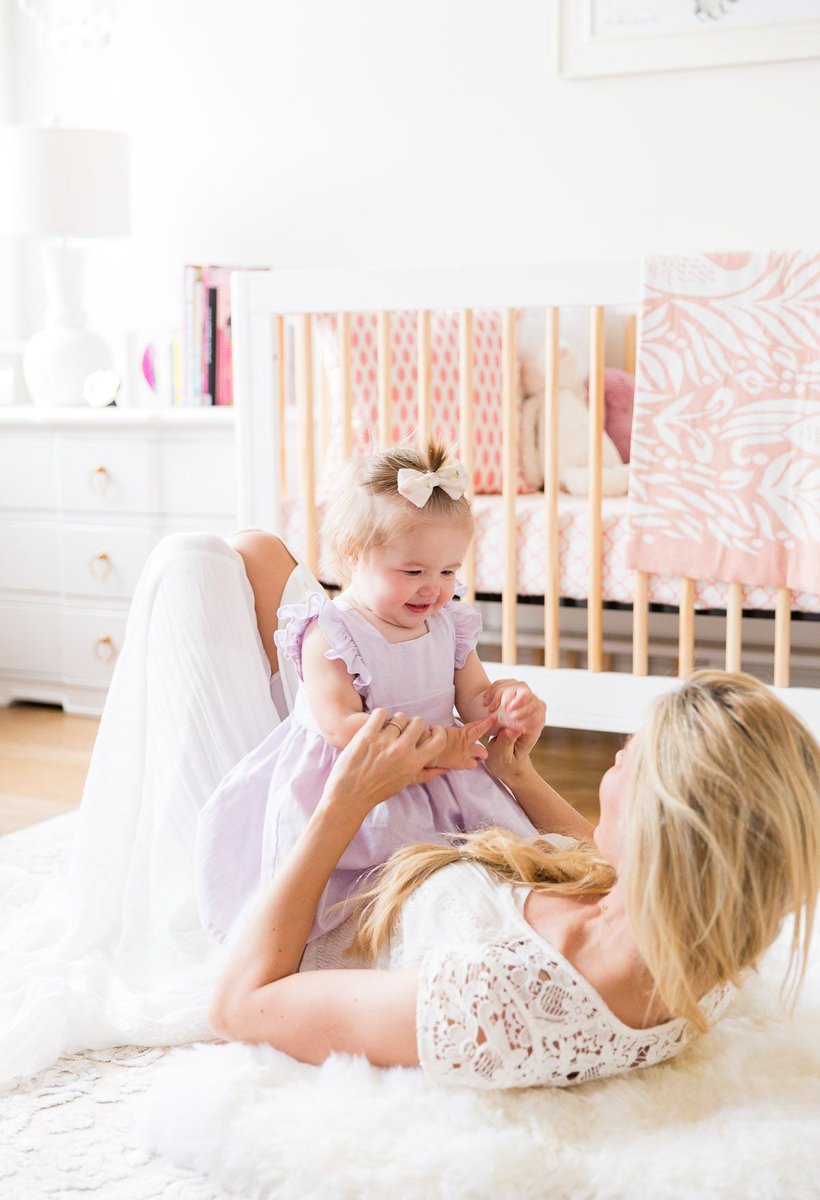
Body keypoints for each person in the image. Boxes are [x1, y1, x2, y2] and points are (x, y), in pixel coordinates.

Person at [209, 672, 820, 1089]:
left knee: (207, 564)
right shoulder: (696, 935)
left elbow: (239, 1006)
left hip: (285, 872)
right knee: (269, 567)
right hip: (382, 835)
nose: (613, 765)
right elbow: (605, 857)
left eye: (624, 761)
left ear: (654, 829)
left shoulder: (494, 1003)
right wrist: (518, 775)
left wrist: (344, 802)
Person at [195, 440, 546, 942]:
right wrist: (436, 745)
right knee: (365, 896)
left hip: (443, 779)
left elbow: (474, 699)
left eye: (448, 571)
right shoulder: (332, 632)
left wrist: (506, 706)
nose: (433, 588)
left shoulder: (448, 623)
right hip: (360, 786)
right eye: (413, 572)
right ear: (354, 555)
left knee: (486, 874)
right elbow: (342, 727)